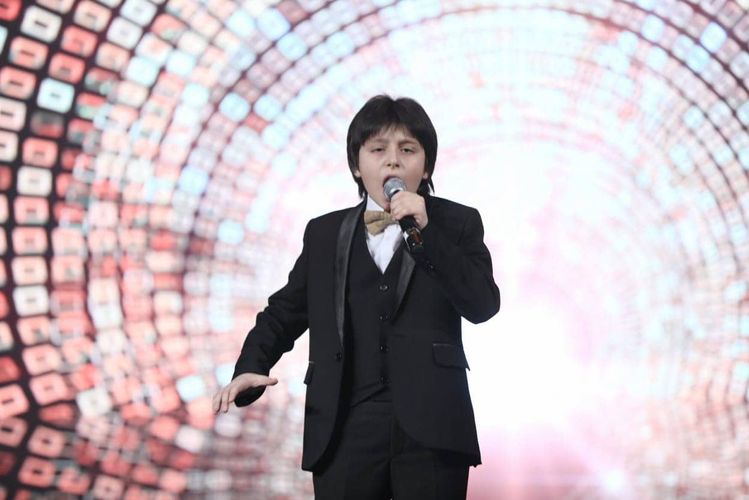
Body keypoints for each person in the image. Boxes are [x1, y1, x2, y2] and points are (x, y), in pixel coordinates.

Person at [212, 95, 500, 499]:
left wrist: (429, 234)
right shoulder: (323, 234)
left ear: (427, 166)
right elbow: (285, 312)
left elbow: (483, 304)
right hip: (344, 424)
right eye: (378, 149)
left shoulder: (458, 222)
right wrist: (250, 366)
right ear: (356, 165)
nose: (393, 161)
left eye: (407, 149)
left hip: (434, 425)